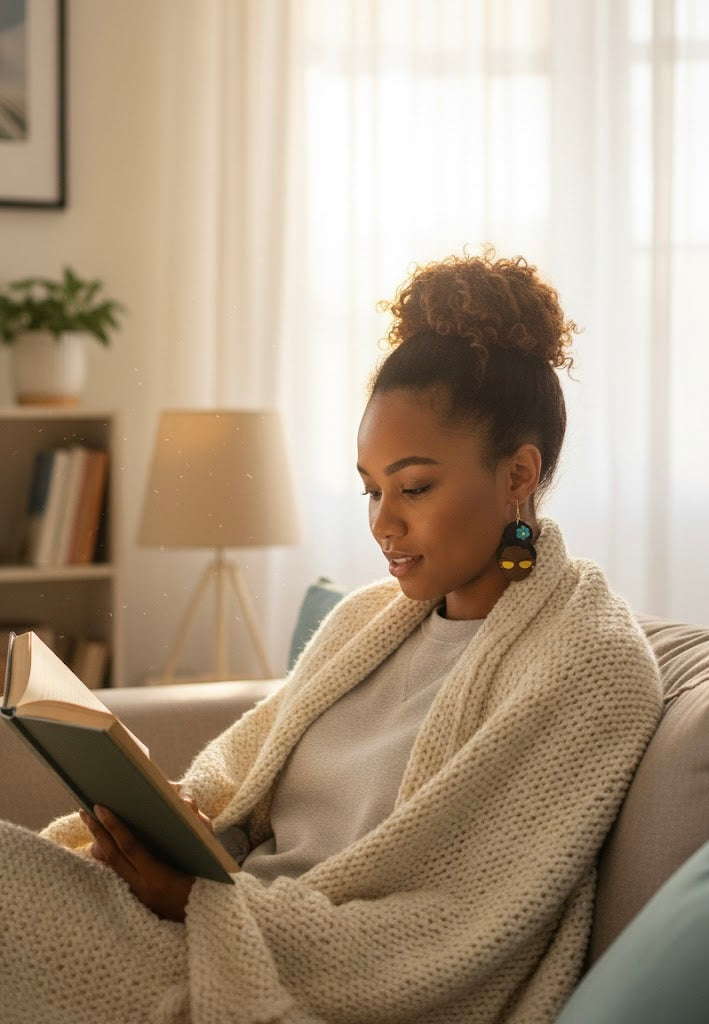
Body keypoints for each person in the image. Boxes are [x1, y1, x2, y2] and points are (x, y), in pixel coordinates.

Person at [1, 250, 662, 1024]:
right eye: (371, 489)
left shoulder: (591, 663)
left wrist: (201, 903)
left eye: (414, 487)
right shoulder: (363, 620)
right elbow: (243, 791)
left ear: (519, 474)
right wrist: (187, 829)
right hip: (201, 921)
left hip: (278, 973)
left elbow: (454, 935)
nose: (383, 522)